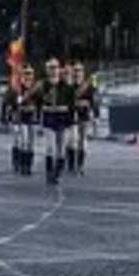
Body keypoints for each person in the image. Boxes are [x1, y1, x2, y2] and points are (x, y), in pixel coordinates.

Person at [39, 58, 75, 186]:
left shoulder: (66, 86)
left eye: (55, 67)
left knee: (61, 150)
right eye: (50, 67)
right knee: (50, 148)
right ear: (47, 70)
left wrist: (71, 122)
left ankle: (57, 174)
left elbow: (72, 105)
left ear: (59, 69)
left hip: (63, 120)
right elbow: (37, 103)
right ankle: (49, 174)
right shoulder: (42, 85)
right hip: (49, 119)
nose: (53, 70)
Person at [69, 62, 98, 175]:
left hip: (84, 116)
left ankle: (80, 166)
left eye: (79, 70)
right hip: (72, 117)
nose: (77, 73)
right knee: (72, 140)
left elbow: (94, 102)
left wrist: (96, 116)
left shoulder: (88, 86)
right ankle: (71, 164)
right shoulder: (69, 86)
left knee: (82, 141)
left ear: (83, 72)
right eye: (75, 70)